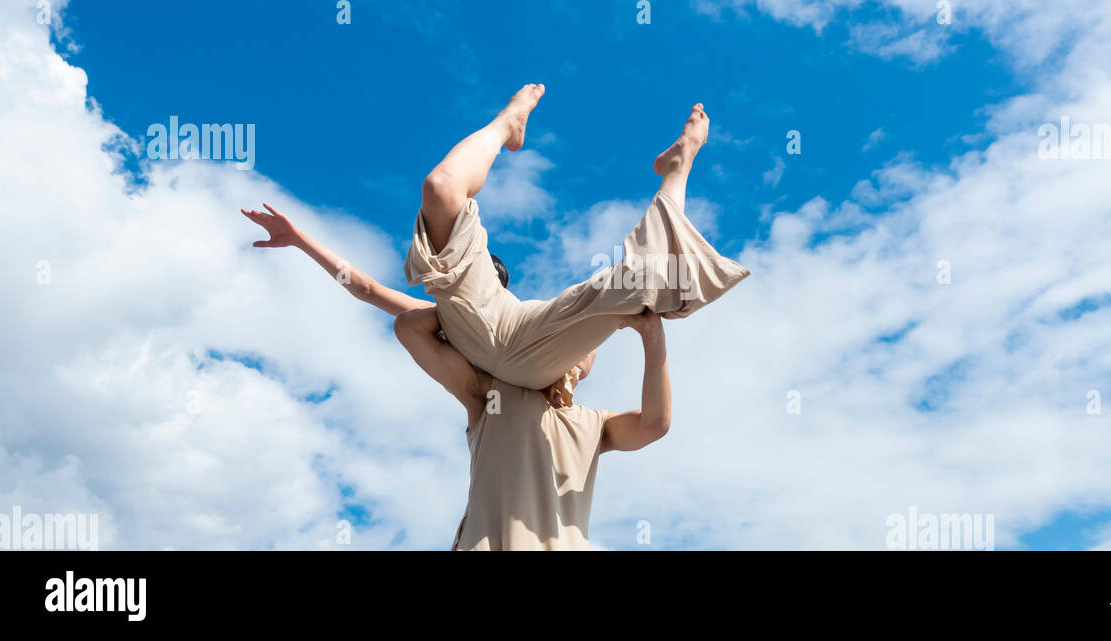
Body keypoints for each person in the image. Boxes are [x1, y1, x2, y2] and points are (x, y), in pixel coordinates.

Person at [241, 208, 671, 549]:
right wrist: (300, 241)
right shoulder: (487, 395)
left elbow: (653, 423)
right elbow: (375, 295)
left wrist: (651, 336)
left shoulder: (587, 419)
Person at [403, 84, 748, 400]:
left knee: (440, 188)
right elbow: (374, 293)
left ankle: (507, 123)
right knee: (653, 278)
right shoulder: (442, 315)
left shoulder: (456, 311)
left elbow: (592, 365)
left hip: (528, 333)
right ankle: (678, 165)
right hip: (502, 342)